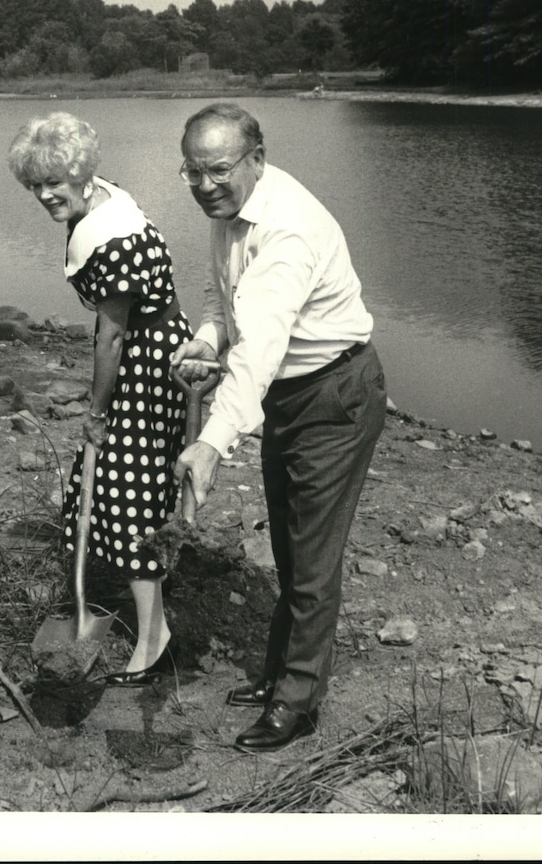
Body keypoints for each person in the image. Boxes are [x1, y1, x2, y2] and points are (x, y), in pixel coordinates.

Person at [171, 102, 386, 751]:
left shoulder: (288, 230)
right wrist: (208, 338)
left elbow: (259, 348)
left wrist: (209, 443)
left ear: (256, 160)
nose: (204, 184)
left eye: (218, 169)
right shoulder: (228, 211)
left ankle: (298, 701)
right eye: (191, 171)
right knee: (292, 546)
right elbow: (223, 296)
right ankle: (278, 673)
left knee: (313, 557)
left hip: (334, 394)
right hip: (289, 392)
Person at [6, 113, 192, 686]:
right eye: (34, 185)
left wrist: (96, 411)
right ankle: (144, 604)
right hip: (154, 347)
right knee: (122, 486)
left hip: (146, 360)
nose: (43, 195)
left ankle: (156, 637)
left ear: (83, 175)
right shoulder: (101, 200)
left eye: (53, 183)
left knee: (128, 495)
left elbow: (111, 334)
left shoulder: (111, 238)